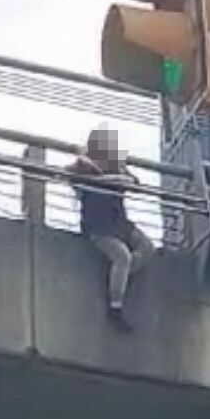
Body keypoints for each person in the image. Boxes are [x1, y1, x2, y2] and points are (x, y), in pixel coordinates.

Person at [68, 127, 152, 325]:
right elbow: (71, 177)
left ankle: (121, 275)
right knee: (122, 255)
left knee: (147, 248)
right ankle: (115, 307)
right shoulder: (83, 166)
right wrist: (105, 180)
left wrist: (115, 178)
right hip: (98, 224)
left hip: (120, 221)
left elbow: (135, 183)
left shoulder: (116, 165)